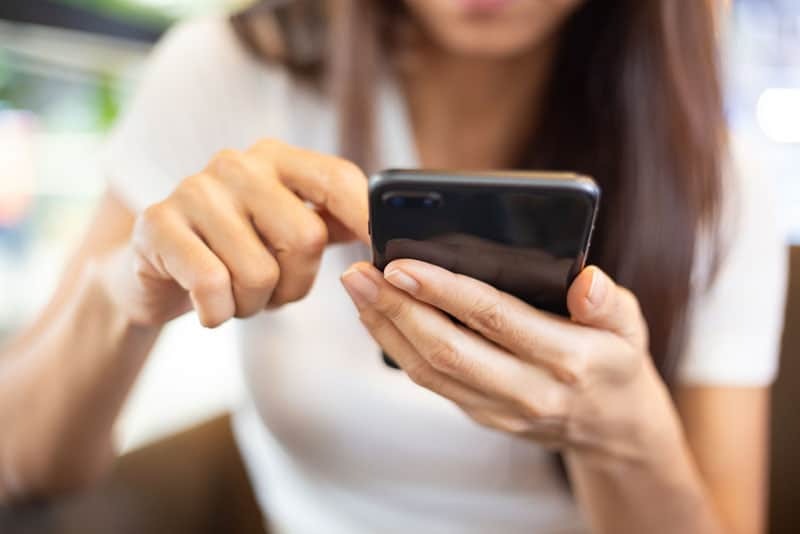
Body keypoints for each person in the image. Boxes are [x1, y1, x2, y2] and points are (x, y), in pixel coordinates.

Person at [0, 1, 788, 533]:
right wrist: (122, 297)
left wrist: (622, 440)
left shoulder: (720, 188)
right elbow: (21, 464)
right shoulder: (229, 70)